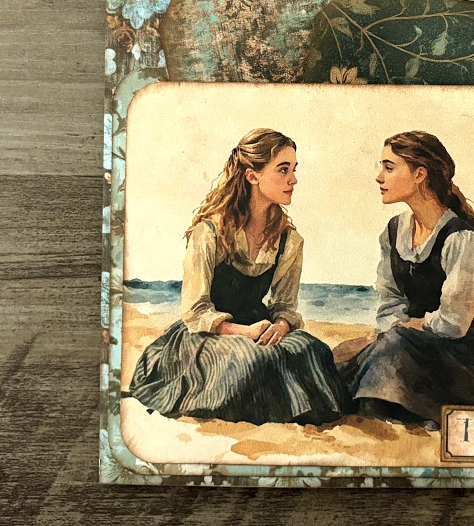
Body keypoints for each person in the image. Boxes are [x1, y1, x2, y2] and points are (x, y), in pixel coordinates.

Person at [126, 128, 348, 425]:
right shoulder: (210, 232)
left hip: (258, 326)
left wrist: (281, 326)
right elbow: (194, 311)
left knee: (311, 349)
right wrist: (245, 332)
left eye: (294, 170)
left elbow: (284, 305)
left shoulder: (289, 241)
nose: (293, 180)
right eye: (283, 170)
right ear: (252, 176)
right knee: (250, 360)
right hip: (209, 335)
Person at [340, 131, 474, 428]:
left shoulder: (462, 239)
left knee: (390, 351)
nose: (379, 177)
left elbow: (454, 323)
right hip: (408, 343)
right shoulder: (394, 231)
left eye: (389, 168)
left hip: (464, 357)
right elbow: (390, 300)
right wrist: (391, 330)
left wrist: (408, 328)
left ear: (419, 174)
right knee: (345, 356)